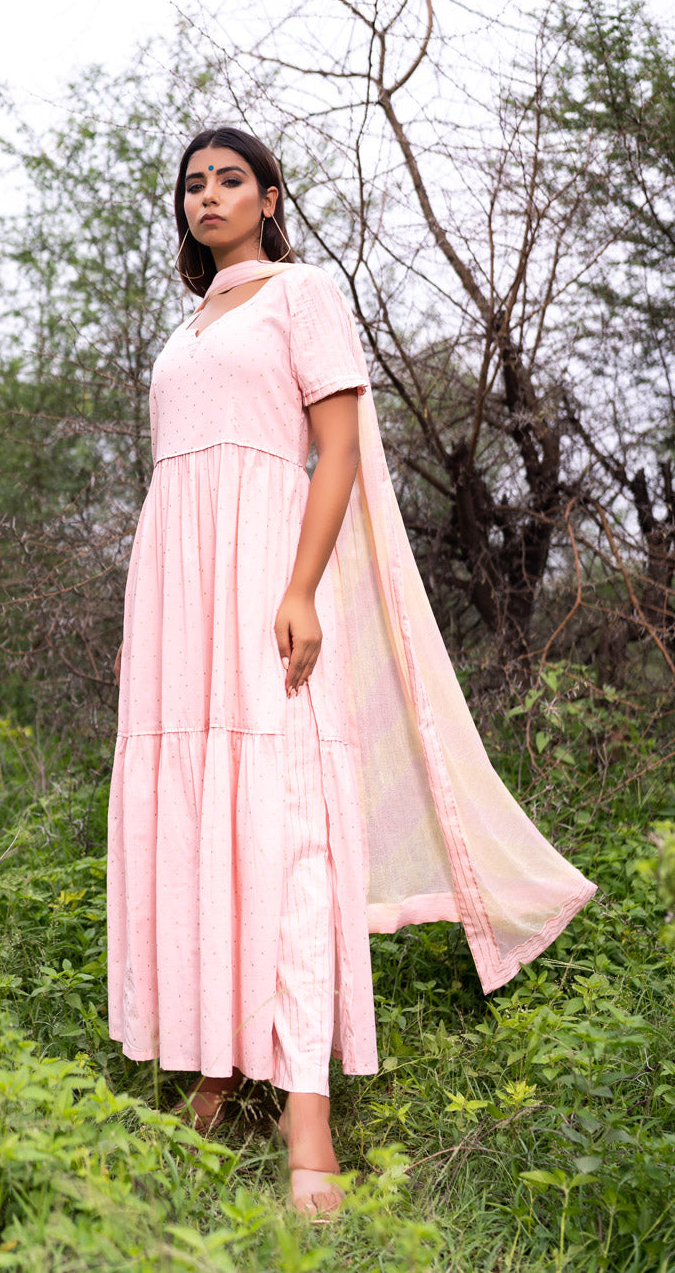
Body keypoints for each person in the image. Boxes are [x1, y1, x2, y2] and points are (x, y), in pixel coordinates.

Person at [106, 126, 596, 1217]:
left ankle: (307, 1115)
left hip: (264, 574)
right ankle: (213, 1073)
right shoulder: (186, 329)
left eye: (231, 179)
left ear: (271, 198)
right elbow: (175, 478)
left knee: (284, 825)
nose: (208, 196)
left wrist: (298, 590)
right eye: (193, 184)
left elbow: (332, 453)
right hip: (176, 593)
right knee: (201, 822)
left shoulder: (302, 295)